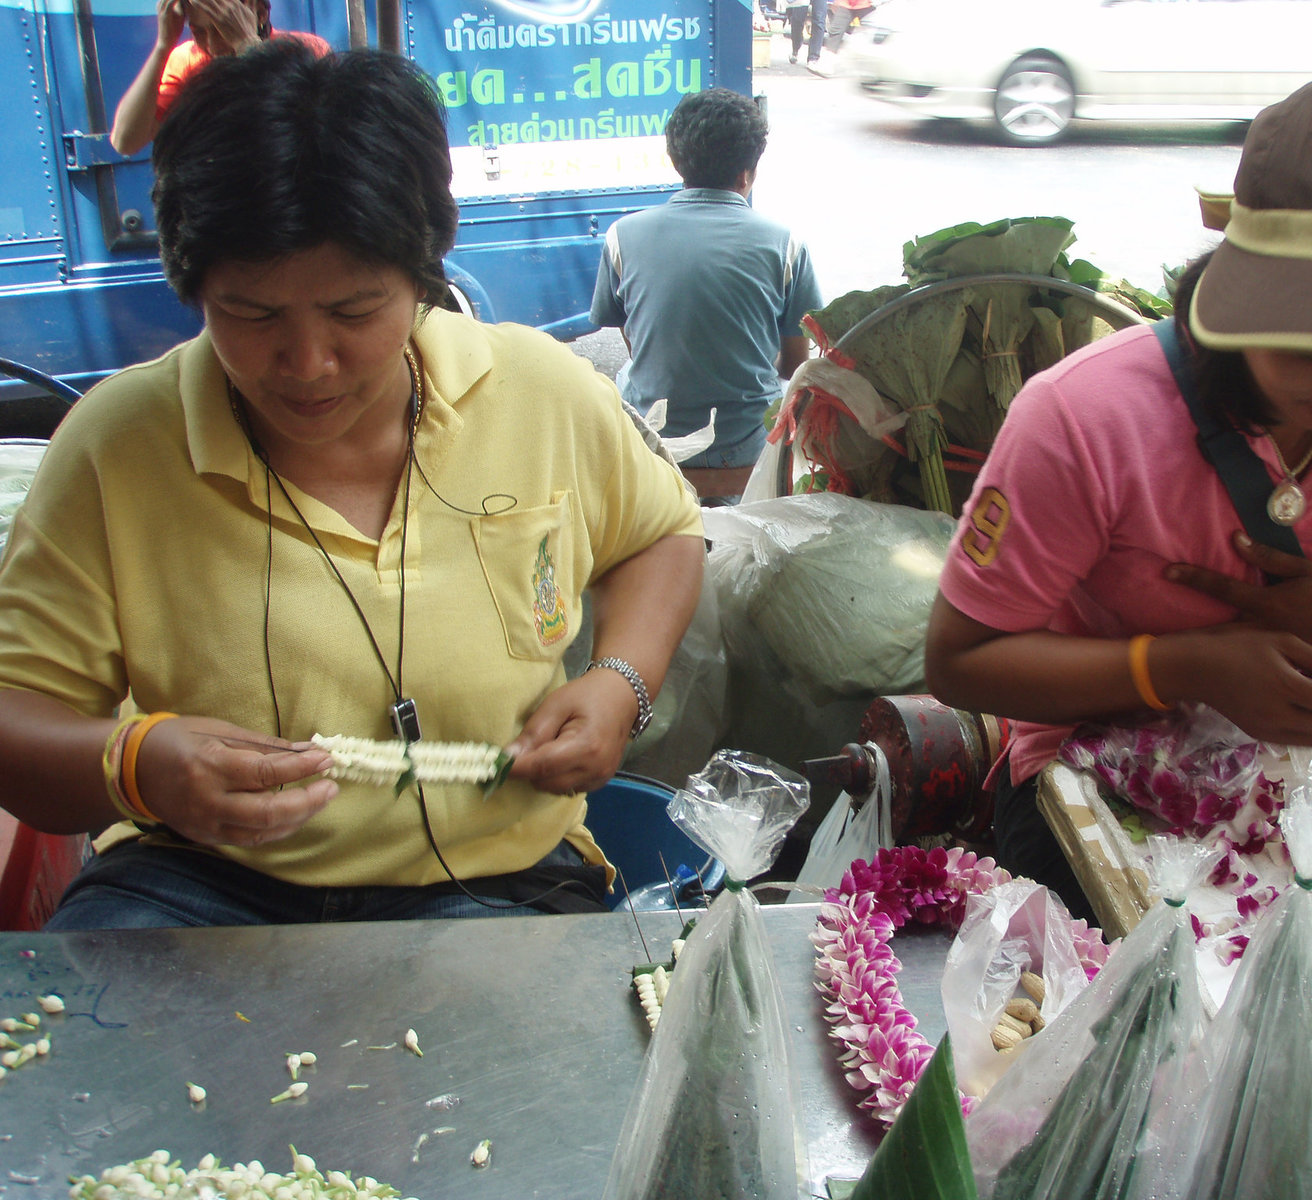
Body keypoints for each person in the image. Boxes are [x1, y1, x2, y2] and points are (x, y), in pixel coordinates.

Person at [925, 81, 1312, 1200]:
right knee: (1166, 1069)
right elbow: (961, 660)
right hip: (1096, 790)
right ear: (1238, 298)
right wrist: (1182, 666)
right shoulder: (1084, 417)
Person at [0, 42, 705, 928]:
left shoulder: (541, 390)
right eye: (252, 315)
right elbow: (16, 714)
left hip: (492, 877)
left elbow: (664, 535)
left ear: (422, 274)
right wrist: (136, 765)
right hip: (202, 885)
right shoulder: (117, 445)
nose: (308, 364)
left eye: (353, 311)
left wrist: (620, 680)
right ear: (194, 289)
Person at [590, 87, 823, 502]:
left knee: (625, 376)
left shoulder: (621, 236)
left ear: (676, 162)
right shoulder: (786, 244)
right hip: (748, 450)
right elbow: (793, 366)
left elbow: (635, 342)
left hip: (656, 442)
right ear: (746, 174)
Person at [109, 0, 332, 156]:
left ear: (260, 13)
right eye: (199, 32)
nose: (213, 47)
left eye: (223, 27)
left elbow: (313, 130)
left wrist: (247, 45)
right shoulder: (187, 61)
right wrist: (162, 46)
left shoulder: (305, 51)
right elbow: (125, 142)